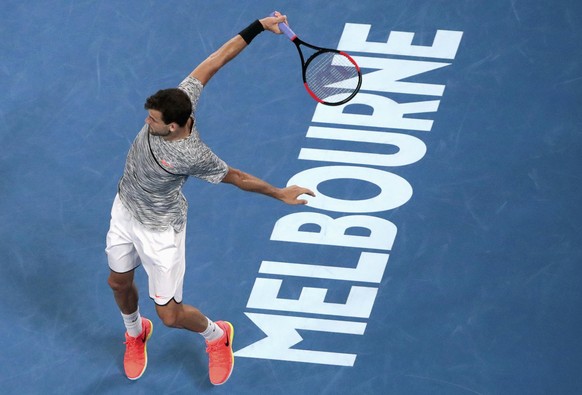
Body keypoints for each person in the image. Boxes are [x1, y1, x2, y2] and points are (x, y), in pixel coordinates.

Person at [105, 12, 314, 386]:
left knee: (170, 314)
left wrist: (279, 192)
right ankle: (135, 331)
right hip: (125, 208)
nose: (145, 123)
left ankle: (217, 336)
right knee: (118, 283)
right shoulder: (181, 99)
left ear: (172, 125)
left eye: (151, 120)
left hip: (161, 228)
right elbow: (217, 59)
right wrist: (259, 26)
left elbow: (237, 177)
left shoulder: (194, 155)